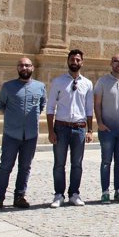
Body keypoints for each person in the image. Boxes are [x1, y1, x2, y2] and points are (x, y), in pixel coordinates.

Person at [0, 58, 46, 212]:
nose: (24, 67)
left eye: (27, 65)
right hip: (11, 134)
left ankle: (19, 196)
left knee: (25, 167)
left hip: (31, 135)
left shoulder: (40, 87)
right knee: (5, 167)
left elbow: (41, 106)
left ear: (32, 67)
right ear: (17, 68)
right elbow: (1, 105)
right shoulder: (8, 87)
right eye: (21, 65)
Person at [46, 49, 94, 208]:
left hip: (79, 128)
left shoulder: (87, 84)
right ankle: (58, 194)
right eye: (72, 59)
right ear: (68, 61)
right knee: (59, 163)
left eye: (78, 60)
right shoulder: (58, 82)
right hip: (61, 127)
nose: (75, 62)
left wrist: (89, 130)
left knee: (77, 163)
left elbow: (89, 109)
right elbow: (51, 107)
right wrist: (50, 130)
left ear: (82, 62)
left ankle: (74, 193)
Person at [93, 54, 119, 204]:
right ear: (111, 63)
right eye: (117, 61)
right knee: (106, 161)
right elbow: (97, 103)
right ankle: (105, 192)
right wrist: (100, 123)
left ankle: (118, 190)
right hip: (107, 129)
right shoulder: (102, 81)